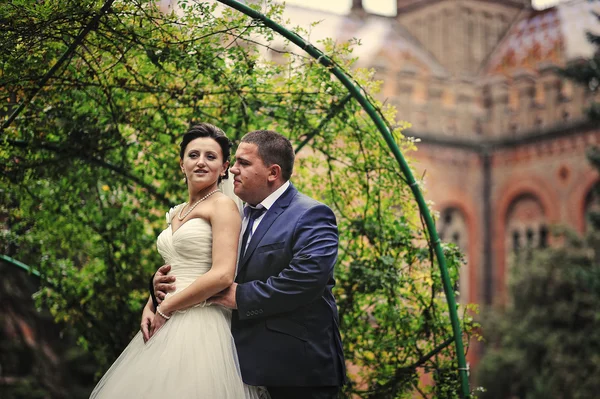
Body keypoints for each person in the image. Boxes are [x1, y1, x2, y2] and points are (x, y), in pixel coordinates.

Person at [154, 130, 347, 399]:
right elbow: (201, 262)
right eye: (233, 162)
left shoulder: (311, 214)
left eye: (243, 163)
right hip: (238, 366)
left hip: (297, 370)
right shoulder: (234, 212)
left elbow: (306, 279)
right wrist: (158, 286)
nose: (232, 169)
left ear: (272, 172)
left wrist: (242, 296)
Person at [89, 123, 264, 399]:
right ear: (181, 163)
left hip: (201, 322)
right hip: (166, 316)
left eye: (211, 156)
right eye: (193, 155)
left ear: (224, 167)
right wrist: (151, 302)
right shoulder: (178, 212)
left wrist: (165, 309)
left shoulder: (222, 206)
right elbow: (176, 266)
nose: (201, 162)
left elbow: (221, 275)